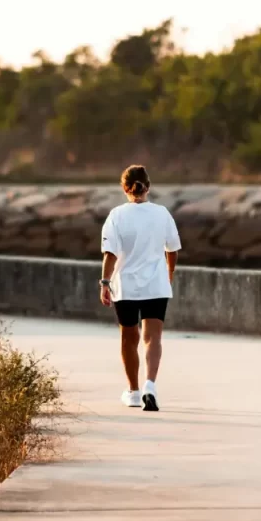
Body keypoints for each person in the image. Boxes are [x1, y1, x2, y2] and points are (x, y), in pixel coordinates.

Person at [99, 165, 181, 412]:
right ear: (149, 186)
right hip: (156, 284)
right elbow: (172, 249)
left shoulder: (117, 215)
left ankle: (133, 392)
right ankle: (150, 386)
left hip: (126, 285)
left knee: (128, 337)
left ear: (125, 188)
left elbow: (110, 254)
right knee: (152, 338)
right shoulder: (162, 213)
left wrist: (104, 282)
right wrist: (168, 274)